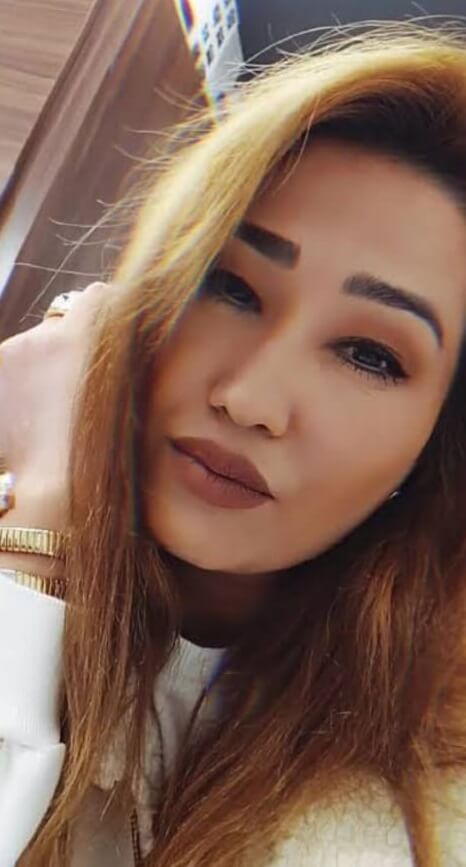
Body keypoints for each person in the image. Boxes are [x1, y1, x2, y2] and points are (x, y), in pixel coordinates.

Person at [0, 20, 466, 867]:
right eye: (230, 285)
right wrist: (36, 538)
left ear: (438, 447)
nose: (250, 398)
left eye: (369, 354)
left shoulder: (422, 797)